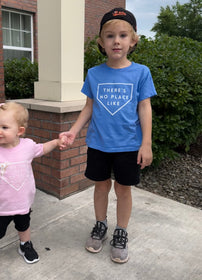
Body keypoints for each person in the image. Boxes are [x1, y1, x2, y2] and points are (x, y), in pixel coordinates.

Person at [60, 8, 157, 263]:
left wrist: (146, 143)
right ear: (101, 43)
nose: (117, 40)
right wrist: (72, 131)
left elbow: (145, 107)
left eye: (123, 35)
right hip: (99, 144)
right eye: (110, 36)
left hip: (128, 145)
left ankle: (121, 231)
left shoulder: (141, 73)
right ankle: (100, 225)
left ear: (133, 41)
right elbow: (89, 107)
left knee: (123, 189)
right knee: (100, 186)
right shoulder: (94, 74)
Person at [0, 102, 66, 280]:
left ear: (19, 131)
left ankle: (25, 245)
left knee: (24, 226)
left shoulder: (28, 146)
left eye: (4, 127)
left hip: (23, 203)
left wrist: (56, 142)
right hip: (1, 205)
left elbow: (42, 149)